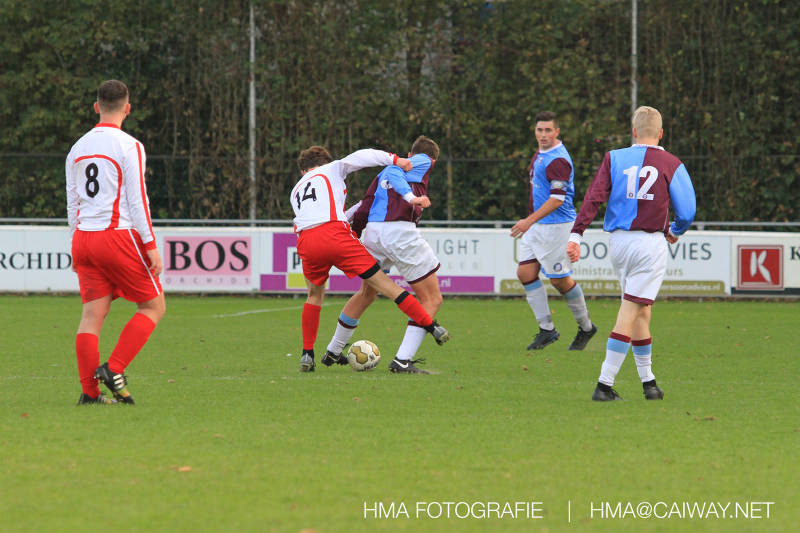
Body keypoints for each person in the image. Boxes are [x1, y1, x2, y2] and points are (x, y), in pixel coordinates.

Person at [567, 105, 696, 401]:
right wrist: (675, 230)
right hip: (649, 245)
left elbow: (593, 197)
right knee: (629, 311)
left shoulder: (614, 158)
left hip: (619, 244)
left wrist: (576, 234)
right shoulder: (671, 163)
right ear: (661, 133)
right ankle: (604, 385)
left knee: (641, 311)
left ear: (634, 132)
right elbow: (687, 211)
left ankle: (649, 383)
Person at [291, 145, 450, 373]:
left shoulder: (296, 190)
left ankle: (313, 353)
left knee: (321, 295)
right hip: (356, 233)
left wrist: (355, 224)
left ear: (302, 171)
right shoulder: (333, 168)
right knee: (402, 290)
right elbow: (363, 156)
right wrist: (396, 160)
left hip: (310, 240)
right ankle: (424, 334)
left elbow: (349, 210)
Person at [66, 79, 166, 405]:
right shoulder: (129, 145)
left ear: (96, 106)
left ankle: (89, 393)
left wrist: (74, 244)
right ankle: (114, 368)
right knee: (153, 305)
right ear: (128, 108)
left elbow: (72, 202)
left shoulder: (77, 148)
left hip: (83, 238)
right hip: (116, 235)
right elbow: (138, 200)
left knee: (91, 316)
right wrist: (150, 244)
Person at [510, 111, 597, 352]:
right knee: (525, 273)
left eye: (548, 130)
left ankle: (586, 327)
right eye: (540, 130)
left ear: (557, 132)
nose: (543, 134)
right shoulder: (541, 153)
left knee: (559, 281)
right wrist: (531, 222)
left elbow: (557, 200)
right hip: (537, 226)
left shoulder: (558, 160)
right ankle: (547, 330)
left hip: (556, 227)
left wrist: (528, 221)